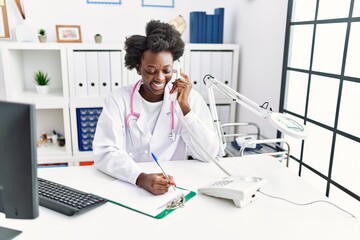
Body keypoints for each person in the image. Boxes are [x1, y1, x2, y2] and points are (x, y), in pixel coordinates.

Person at [92, 19, 219, 195]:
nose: (159, 78)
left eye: (166, 70)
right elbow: (105, 152)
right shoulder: (117, 100)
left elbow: (209, 154)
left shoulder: (189, 99)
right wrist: (140, 178)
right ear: (138, 68)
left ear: (175, 68)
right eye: (151, 71)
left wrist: (185, 108)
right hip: (129, 184)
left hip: (174, 186)